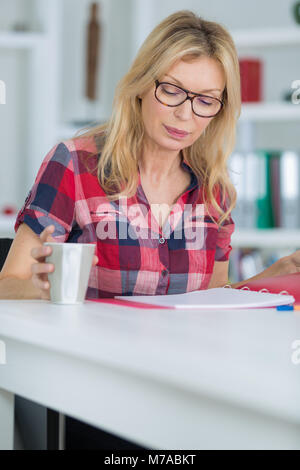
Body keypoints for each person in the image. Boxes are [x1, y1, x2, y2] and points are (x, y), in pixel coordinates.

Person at [0, 10, 299, 448]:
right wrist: (46, 288)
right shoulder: (76, 163)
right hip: (92, 387)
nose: (186, 114)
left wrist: (278, 275)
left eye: (205, 99)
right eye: (172, 90)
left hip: (187, 386)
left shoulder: (215, 192)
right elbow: (9, 283)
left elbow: (210, 302)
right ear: (142, 85)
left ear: (219, 109)